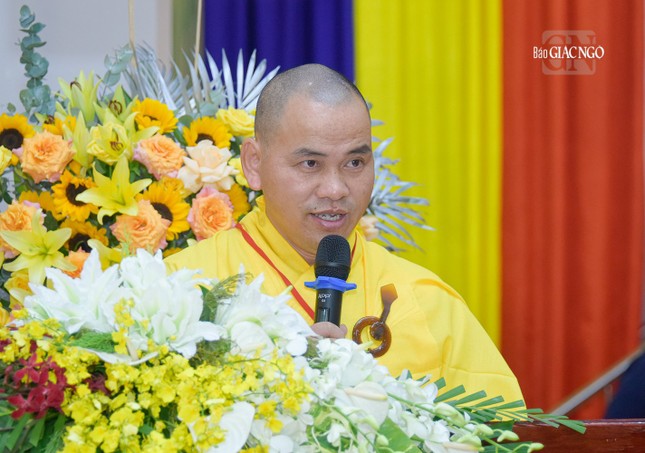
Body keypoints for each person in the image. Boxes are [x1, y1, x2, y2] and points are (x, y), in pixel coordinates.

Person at [166, 63, 524, 404]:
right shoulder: (182, 288)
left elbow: (504, 433)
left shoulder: (426, 301)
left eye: (355, 163)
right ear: (254, 164)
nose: (335, 190)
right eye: (310, 163)